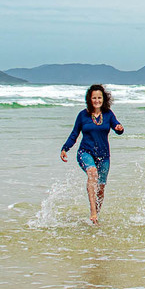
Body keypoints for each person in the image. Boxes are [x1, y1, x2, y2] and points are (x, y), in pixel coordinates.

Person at [61, 84, 124, 225]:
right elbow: (74, 134)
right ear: (90, 99)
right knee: (92, 172)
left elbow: (117, 127)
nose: (97, 100)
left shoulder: (108, 114)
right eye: (94, 98)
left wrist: (119, 128)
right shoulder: (83, 115)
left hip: (104, 155)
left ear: (104, 99)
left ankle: (96, 217)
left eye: (99, 98)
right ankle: (92, 212)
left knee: (101, 188)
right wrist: (65, 148)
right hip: (85, 152)